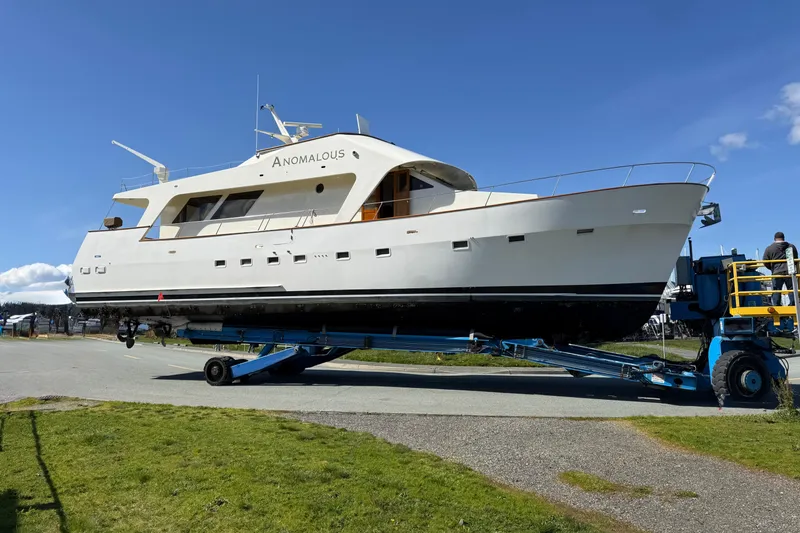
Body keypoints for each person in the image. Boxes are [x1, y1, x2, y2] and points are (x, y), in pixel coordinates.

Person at [762, 232, 798, 306]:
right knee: (791, 289)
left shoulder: (769, 248)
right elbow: (796, 259)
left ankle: (777, 305)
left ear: (775, 239)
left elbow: (765, 261)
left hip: (777, 272)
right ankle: (793, 304)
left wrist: (772, 268)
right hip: (789, 271)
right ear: (784, 238)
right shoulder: (791, 247)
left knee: (776, 290)